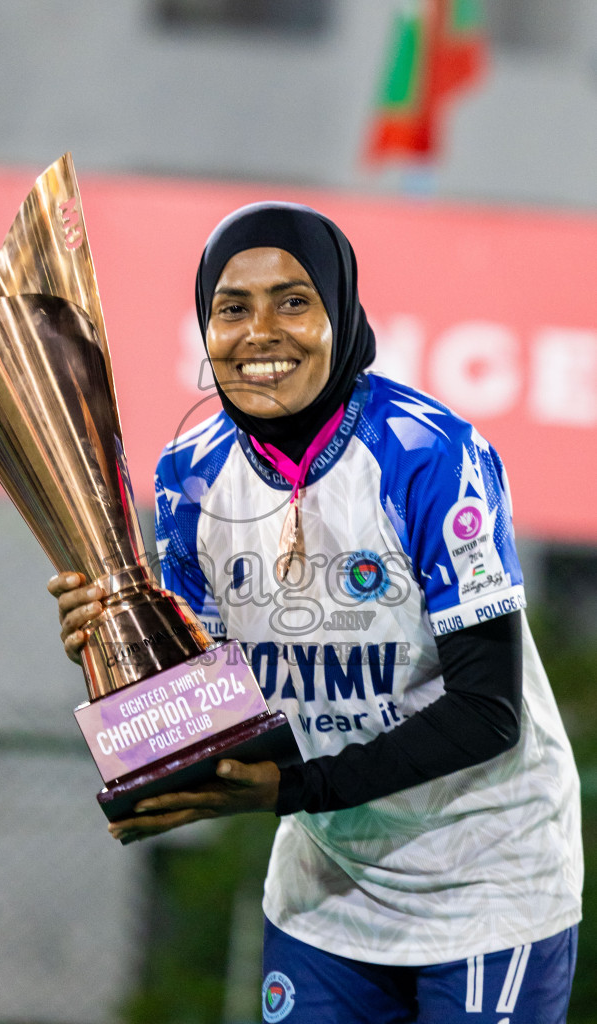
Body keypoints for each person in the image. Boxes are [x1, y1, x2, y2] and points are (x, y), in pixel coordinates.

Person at [48, 202, 582, 1023]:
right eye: (232, 308)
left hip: (488, 883)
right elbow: (207, 694)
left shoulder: (431, 454)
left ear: (342, 310)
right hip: (327, 885)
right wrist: (112, 636)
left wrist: (293, 788)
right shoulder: (188, 477)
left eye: (294, 301)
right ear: (206, 327)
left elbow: (488, 712)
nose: (262, 331)